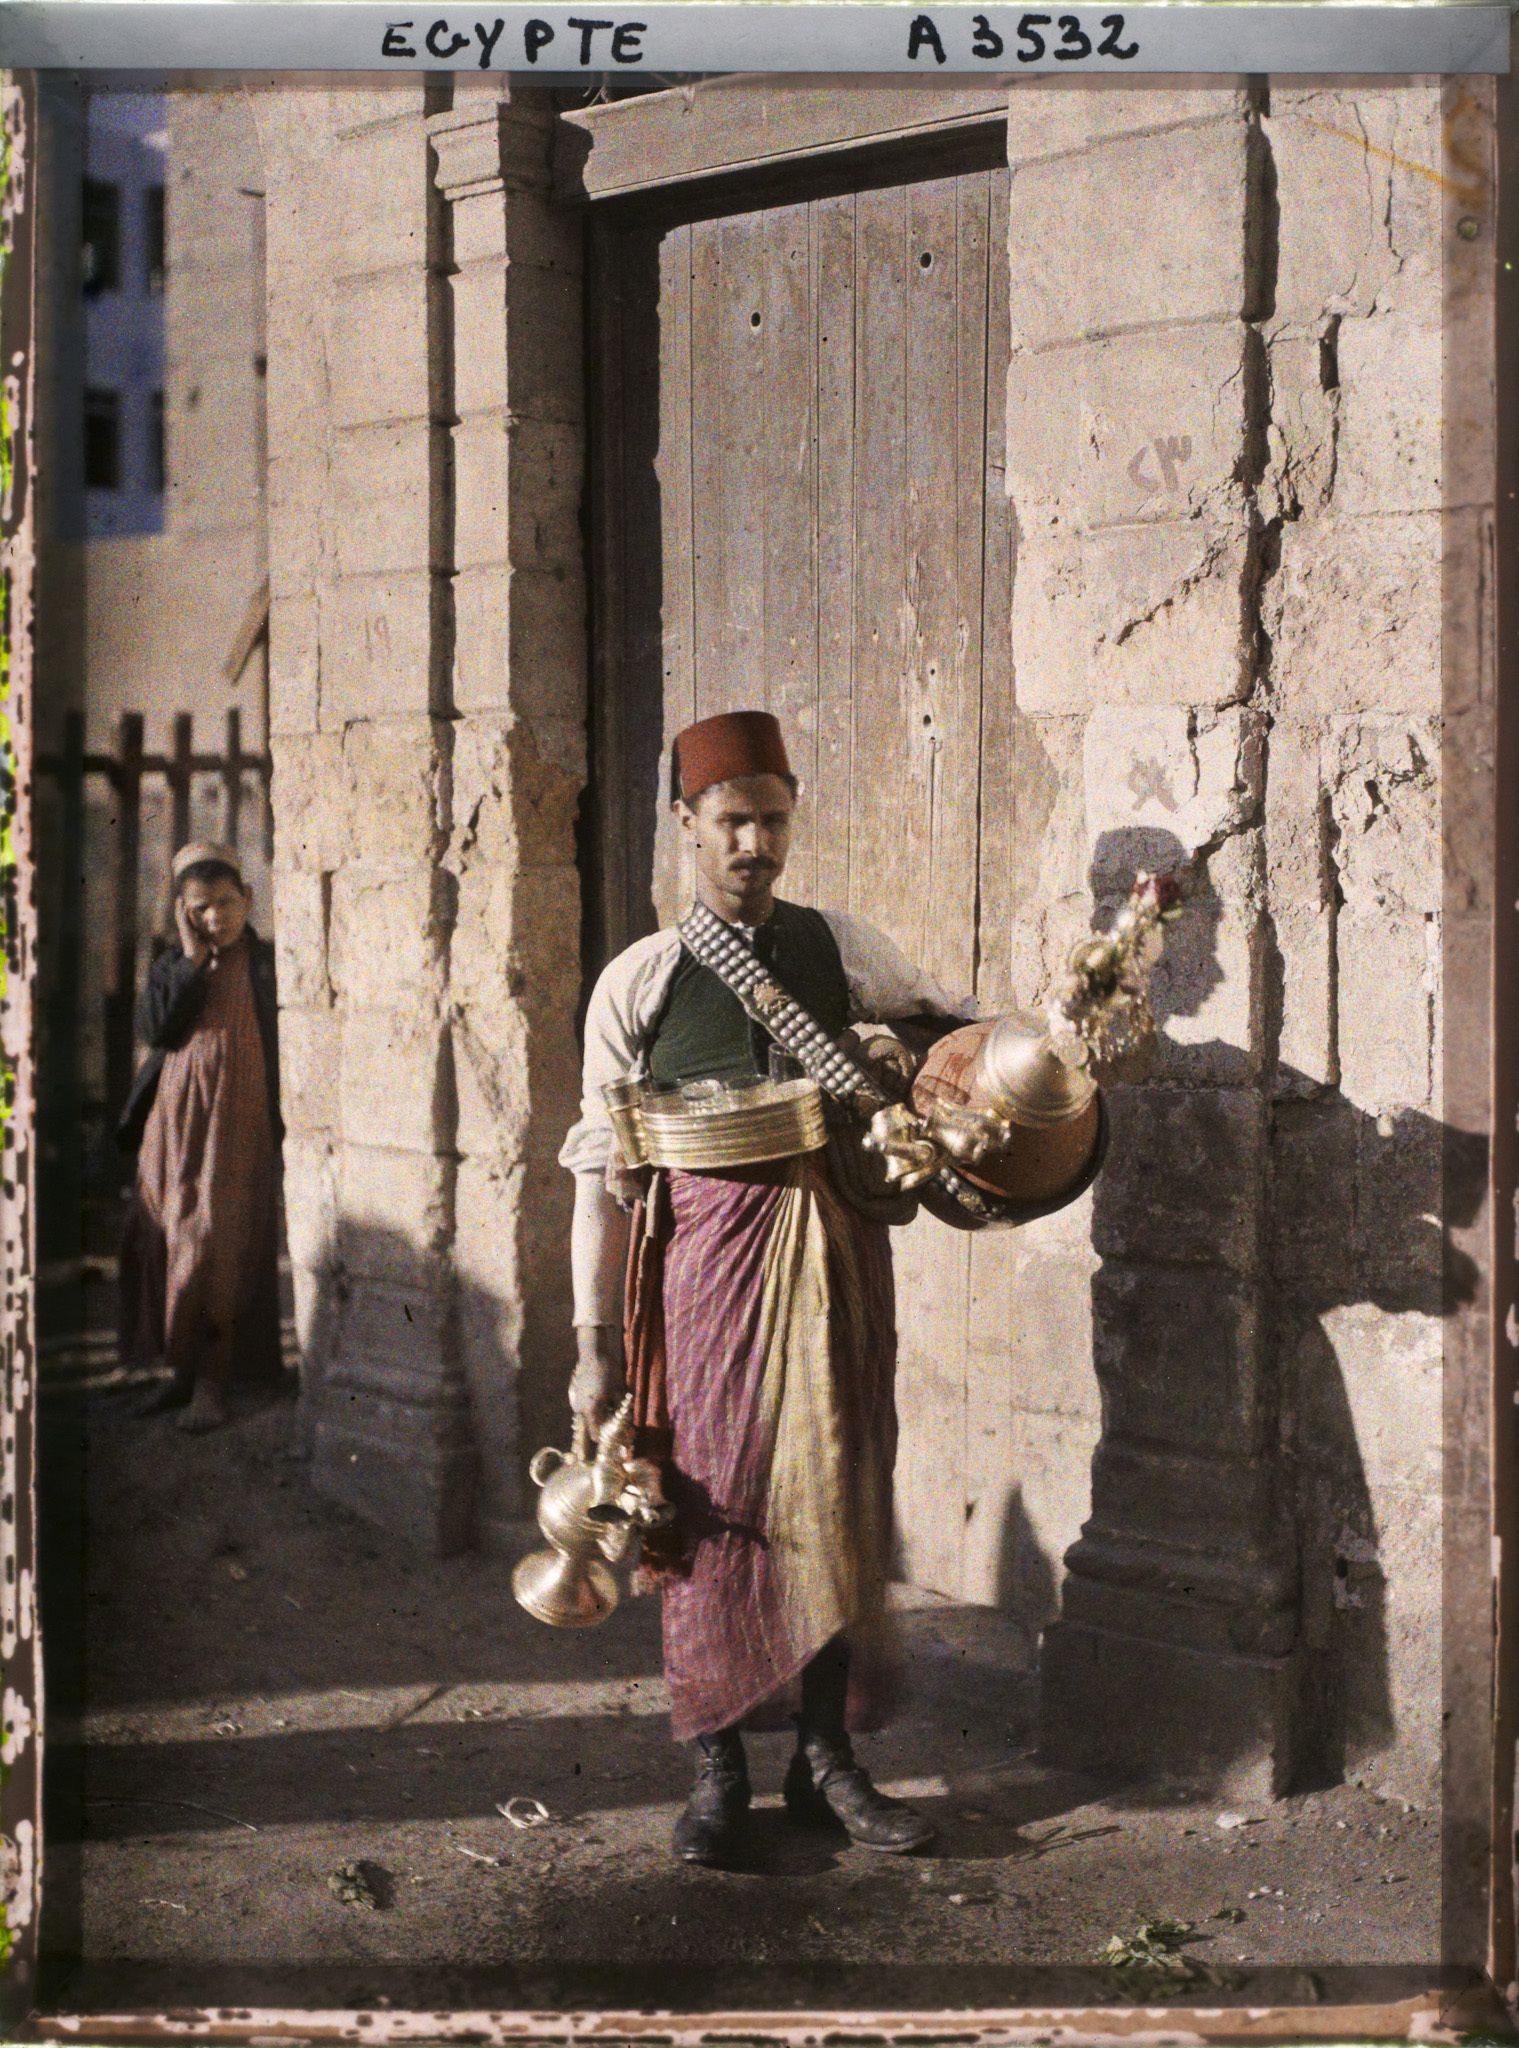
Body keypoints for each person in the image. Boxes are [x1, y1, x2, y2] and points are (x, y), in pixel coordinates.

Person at [559, 710, 972, 1869]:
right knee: (704, 1505)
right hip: (700, 1278)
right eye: (731, 821)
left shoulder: (841, 944)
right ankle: (718, 1765)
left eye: (772, 818)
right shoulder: (639, 980)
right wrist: (591, 1343)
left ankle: (827, 1759)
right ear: (686, 826)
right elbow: (601, 1176)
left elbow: (948, 1034)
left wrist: (912, 1059)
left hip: (837, 1258)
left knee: (836, 1492)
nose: (754, 843)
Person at [117, 841, 283, 1434]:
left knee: (217, 1237)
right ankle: (176, 1375)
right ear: (184, 912)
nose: (216, 918)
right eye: (200, 908)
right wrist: (188, 958)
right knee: (168, 1228)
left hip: (238, 1118)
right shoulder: (171, 966)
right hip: (177, 1115)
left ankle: (212, 1383)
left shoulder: (266, 963)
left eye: (225, 902)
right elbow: (155, 1030)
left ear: (248, 899)